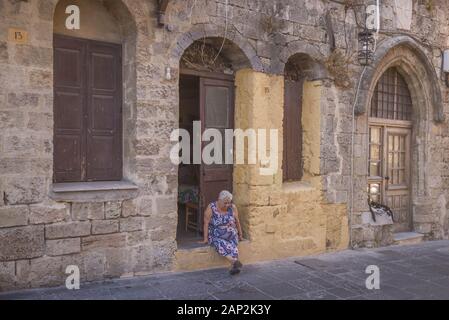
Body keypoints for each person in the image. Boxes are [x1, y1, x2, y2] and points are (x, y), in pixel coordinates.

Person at [199, 190, 244, 275]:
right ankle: (234, 262)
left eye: (229, 203)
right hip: (217, 234)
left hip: (231, 234)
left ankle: (234, 265)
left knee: (233, 245)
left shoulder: (233, 207)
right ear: (219, 200)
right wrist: (205, 239)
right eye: (225, 203)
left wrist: (240, 235)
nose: (227, 205)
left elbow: (237, 221)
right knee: (218, 243)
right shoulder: (211, 207)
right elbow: (206, 223)